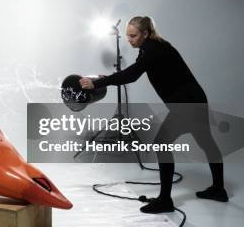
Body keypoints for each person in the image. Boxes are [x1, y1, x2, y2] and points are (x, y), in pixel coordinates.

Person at [80, 16, 228, 214]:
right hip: (195, 100)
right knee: (206, 143)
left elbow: (131, 75)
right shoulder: (153, 46)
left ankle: (165, 201)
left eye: (133, 36)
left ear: (145, 33)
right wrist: (106, 79)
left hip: (186, 105)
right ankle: (219, 189)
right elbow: (133, 71)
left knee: (162, 144)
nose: (129, 39)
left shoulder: (153, 49)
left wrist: (97, 83)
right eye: (127, 36)